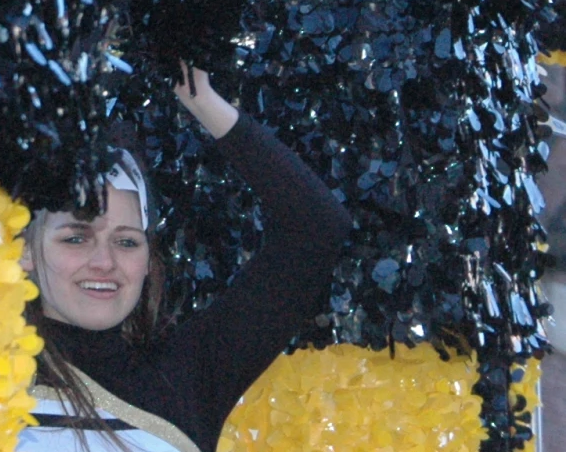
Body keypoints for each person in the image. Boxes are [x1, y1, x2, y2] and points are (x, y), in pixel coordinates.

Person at [18, 69, 351, 452]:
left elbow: (317, 227)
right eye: (76, 238)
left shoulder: (189, 374)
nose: (104, 261)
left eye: (126, 242)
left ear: (147, 261)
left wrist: (201, 99)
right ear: (27, 249)